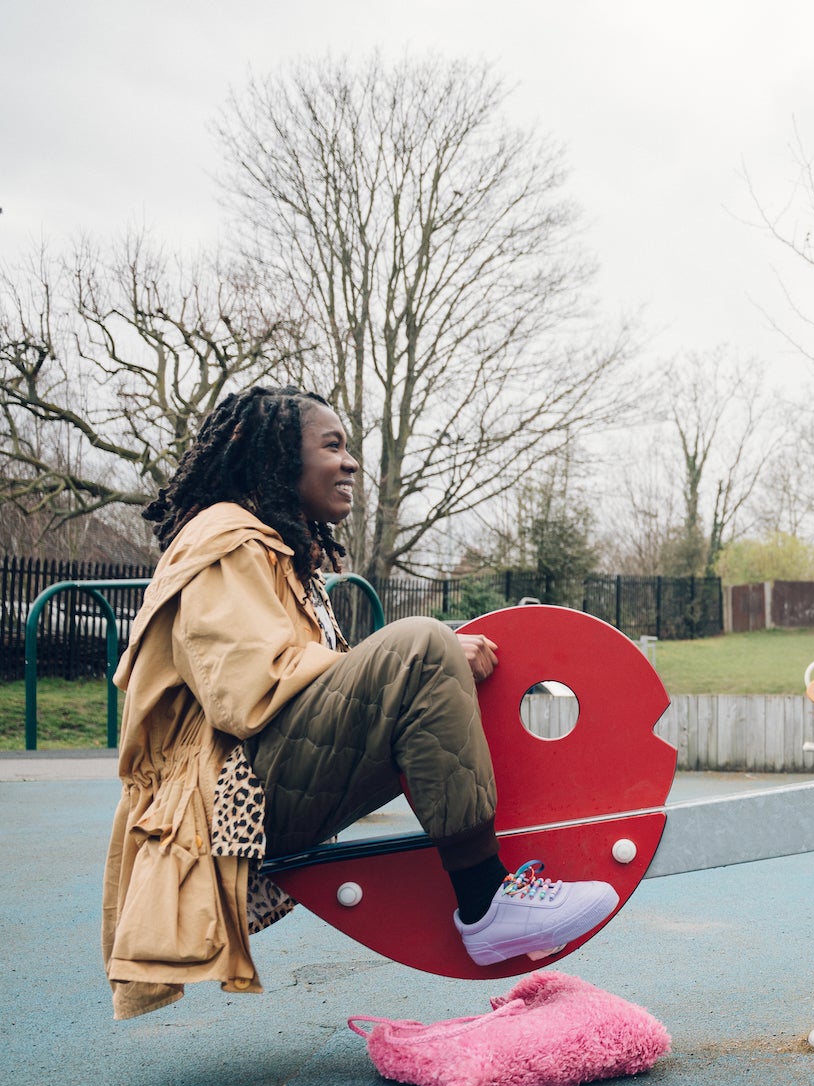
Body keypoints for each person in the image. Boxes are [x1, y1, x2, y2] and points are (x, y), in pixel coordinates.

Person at [100, 386, 617, 1019]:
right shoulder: (225, 542)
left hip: (262, 779)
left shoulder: (278, 551)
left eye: (350, 449)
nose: (350, 463)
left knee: (425, 655)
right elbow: (249, 692)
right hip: (228, 798)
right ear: (276, 459)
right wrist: (430, 657)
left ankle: (494, 889)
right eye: (332, 446)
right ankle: (486, 904)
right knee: (423, 645)